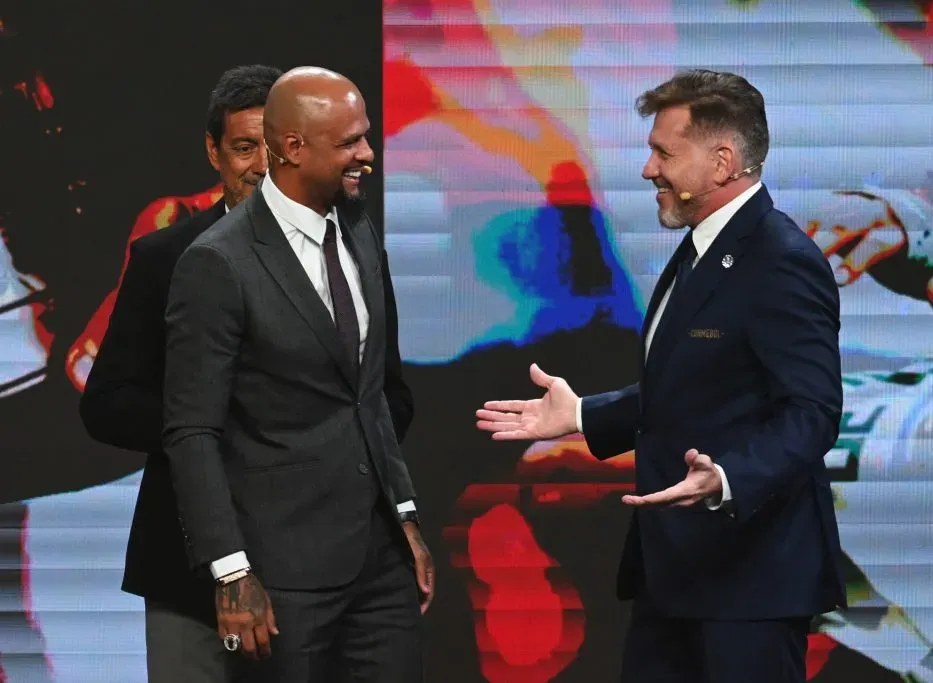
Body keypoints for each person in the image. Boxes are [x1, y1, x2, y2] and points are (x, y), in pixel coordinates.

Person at [475, 69, 846, 683]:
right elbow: (698, 388)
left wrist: (728, 477)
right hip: (673, 574)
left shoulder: (780, 260)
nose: (649, 169)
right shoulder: (702, 248)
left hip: (748, 581)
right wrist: (584, 414)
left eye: (664, 153)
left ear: (723, 162)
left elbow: (812, 412)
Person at [161, 66, 432, 683]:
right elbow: (192, 431)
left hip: (379, 564)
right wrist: (232, 572)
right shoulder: (217, 262)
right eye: (350, 142)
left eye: (366, 136)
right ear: (292, 148)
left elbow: (369, 396)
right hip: (280, 575)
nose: (368, 154)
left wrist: (405, 515)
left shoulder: (358, 228)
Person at [79, 64, 295, 683]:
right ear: (213, 152)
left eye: (275, 148)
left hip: (313, 557)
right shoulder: (163, 257)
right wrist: (209, 425)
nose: (261, 167)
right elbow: (107, 403)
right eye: (244, 148)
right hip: (186, 563)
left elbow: (383, 399)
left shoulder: (346, 251)